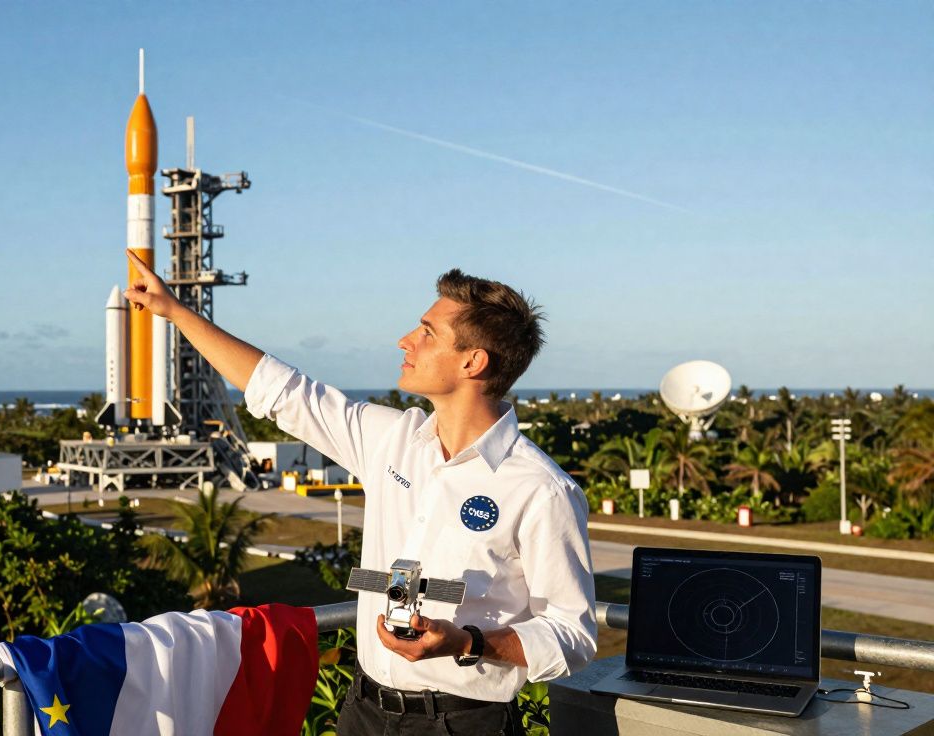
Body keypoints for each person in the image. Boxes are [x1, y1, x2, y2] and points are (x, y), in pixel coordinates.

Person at [125, 251, 596, 736]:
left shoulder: (541, 489)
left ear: (472, 362)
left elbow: (572, 634)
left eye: (427, 332)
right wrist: (174, 311)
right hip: (363, 710)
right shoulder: (390, 439)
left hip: (463, 724)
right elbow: (284, 392)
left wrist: (465, 642)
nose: (405, 340)